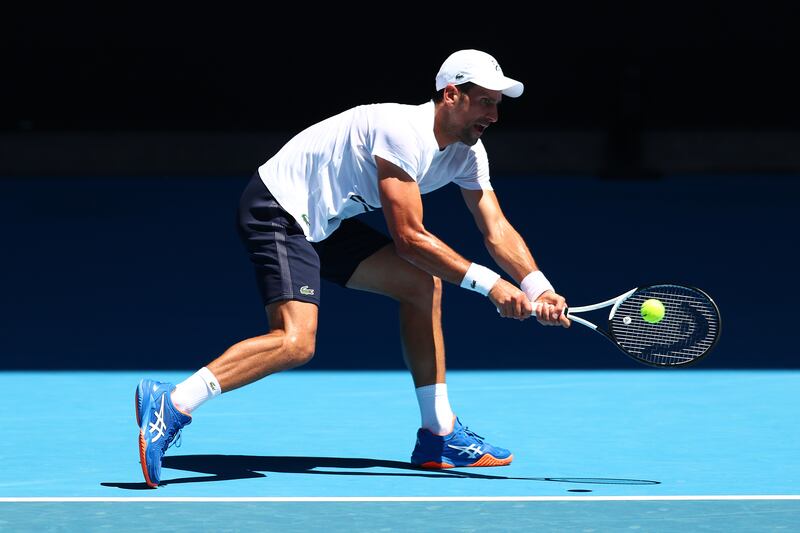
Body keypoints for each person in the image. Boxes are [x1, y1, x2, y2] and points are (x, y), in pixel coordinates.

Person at [135, 49, 570, 488]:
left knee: (421, 285)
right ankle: (172, 402)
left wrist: (539, 288)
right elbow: (410, 238)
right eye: (486, 101)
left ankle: (439, 434)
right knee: (295, 342)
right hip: (279, 208)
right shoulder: (404, 131)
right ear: (452, 95)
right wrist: (493, 287)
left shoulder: (468, 153)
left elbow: (496, 229)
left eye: (498, 103)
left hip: (324, 220)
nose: (494, 115)